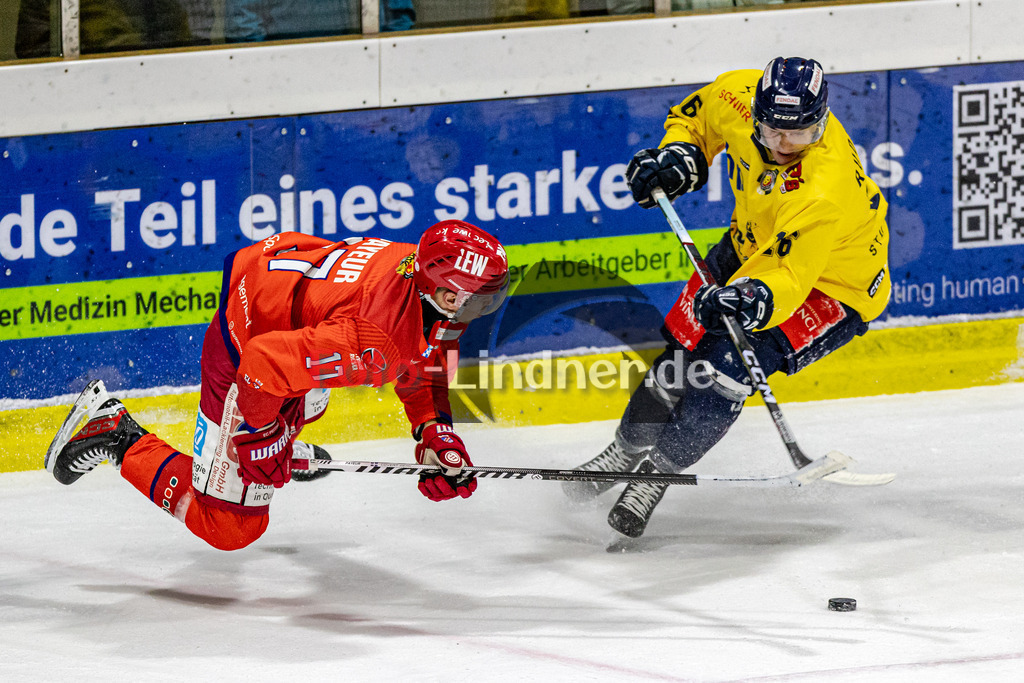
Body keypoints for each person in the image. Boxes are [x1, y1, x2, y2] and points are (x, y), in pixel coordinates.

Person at [563, 56, 891, 538]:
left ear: (820, 122)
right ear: (754, 110)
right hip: (749, 245)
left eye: (799, 133)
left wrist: (752, 298)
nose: (783, 145)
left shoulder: (824, 187)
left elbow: (791, 279)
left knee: (721, 373)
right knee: (680, 357)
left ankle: (652, 479)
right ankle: (624, 452)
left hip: (831, 285)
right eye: (772, 130)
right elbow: (692, 119)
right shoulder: (736, 93)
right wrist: (680, 156)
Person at [45, 221, 510, 551]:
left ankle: (285, 437)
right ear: (447, 293)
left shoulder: (418, 274)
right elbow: (261, 365)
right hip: (245, 344)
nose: (486, 307)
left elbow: (425, 359)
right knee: (229, 528)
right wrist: (263, 437)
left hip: (282, 291)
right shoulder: (374, 340)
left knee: (312, 389)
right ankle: (115, 432)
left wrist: (435, 431)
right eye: (481, 299)